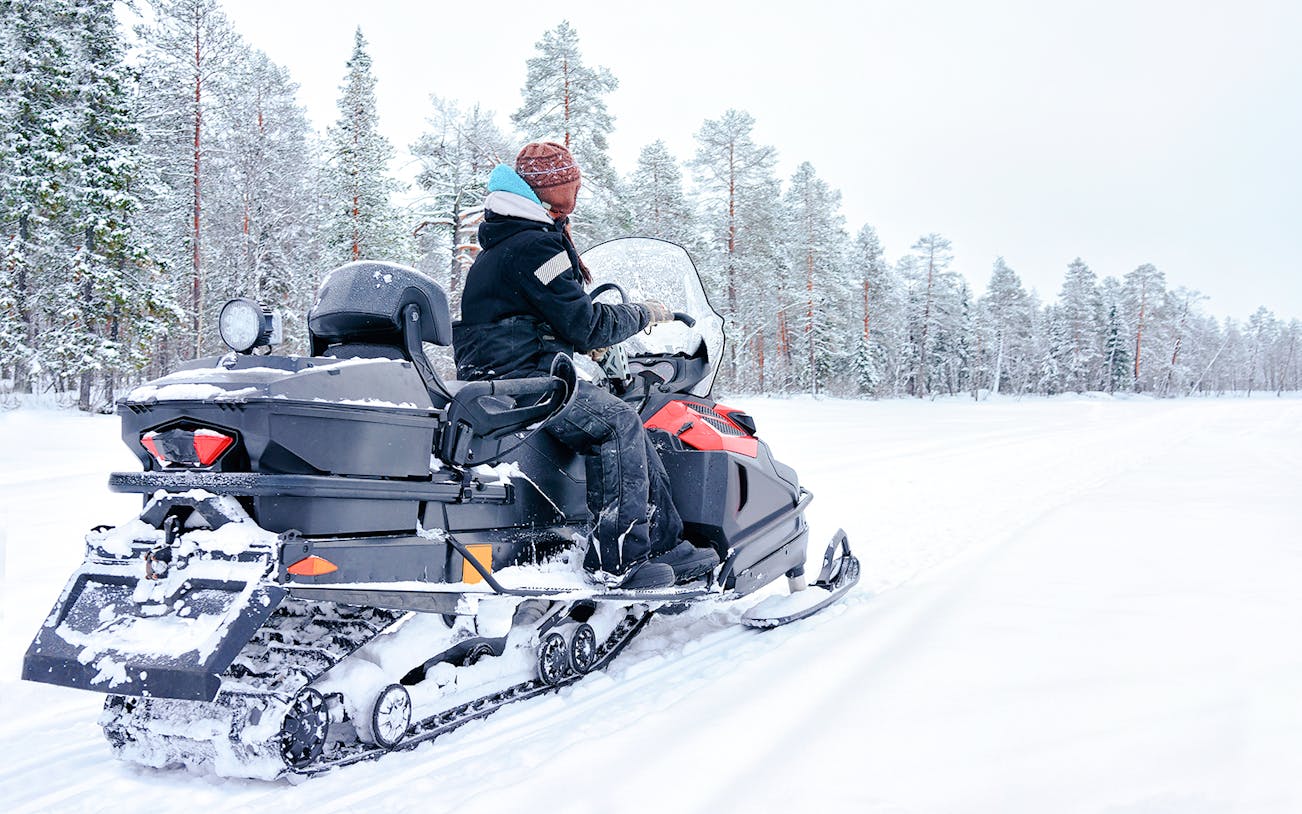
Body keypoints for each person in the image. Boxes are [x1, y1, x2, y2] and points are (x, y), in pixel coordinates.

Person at [454, 142, 715, 590]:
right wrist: (644, 314)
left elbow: (534, 317)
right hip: (528, 381)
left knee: (626, 418)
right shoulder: (535, 245)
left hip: (505, 374)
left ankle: (666, 542)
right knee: (617, 424)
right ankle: (617, 562)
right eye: (571, 184)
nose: (576, 193)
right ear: (554, 190)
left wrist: (574, 342)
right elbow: (586, 324)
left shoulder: (508, 241)